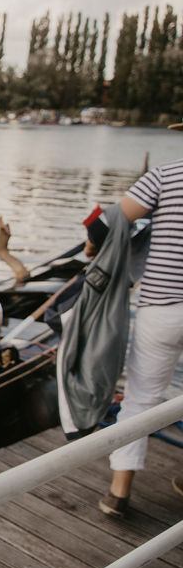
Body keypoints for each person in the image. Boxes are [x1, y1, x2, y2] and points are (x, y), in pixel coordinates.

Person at [96, 119, 183, 517]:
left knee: (141, 399)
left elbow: (112, 220)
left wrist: (91, 244)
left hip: (162, 308)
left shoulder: (165, 176)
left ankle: (119, 493)